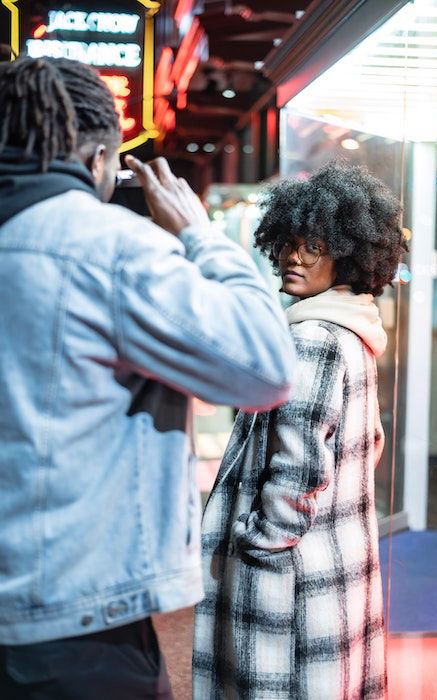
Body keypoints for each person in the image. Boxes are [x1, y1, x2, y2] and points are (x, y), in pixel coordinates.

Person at [0, 56, 296, 698]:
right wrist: (200, 234)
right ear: (100, 158)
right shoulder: (108, 246)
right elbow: (265, 366)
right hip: (77, 626)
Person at [193, 161, 408, 699]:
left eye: (315, 244)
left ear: (348, 252)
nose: (294, 256)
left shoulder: (310, 336)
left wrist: (260, 544)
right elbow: (368, 446)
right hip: (336, 564)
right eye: (289, 241)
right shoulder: (355, 332)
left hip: (288, 578)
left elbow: (298, 469)